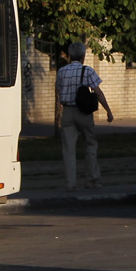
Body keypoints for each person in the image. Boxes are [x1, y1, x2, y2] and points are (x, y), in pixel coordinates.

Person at [55, 41, 114, 192]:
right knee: (90, 145)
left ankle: (70, 183)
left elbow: (58, 90)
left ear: (69, 56)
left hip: (67, 112)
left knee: (68, 149)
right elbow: (98, 92)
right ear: (83, 56)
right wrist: (108, 110)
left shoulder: (61, 71)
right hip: (84, 113)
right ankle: (92, 180)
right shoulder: (87, 71)